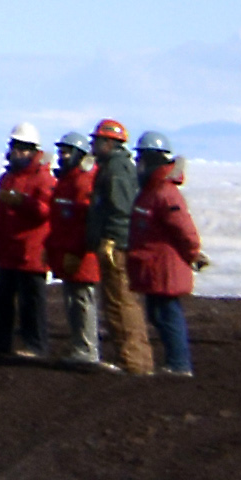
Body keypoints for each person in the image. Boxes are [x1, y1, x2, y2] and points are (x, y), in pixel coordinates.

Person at [82, 119, 153, 376]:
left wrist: (112, 240)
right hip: (116, 244)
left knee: (122, 304)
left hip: (118, 248)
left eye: (97, 140)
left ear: (109, 142)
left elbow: (122, 210)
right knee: (118, 304)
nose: (92, 144)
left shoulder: (117, 170)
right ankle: (134, 361)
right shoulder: (111, 167)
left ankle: (133, 363)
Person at [129, 146, 204, 377]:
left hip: (164, 267)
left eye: (141, 159)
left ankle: (179, 364)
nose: (138, 165)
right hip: (155, 266)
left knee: (167, 314)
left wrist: (193, 253)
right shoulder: (152, 191)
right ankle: (175, 362)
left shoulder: (165, 193)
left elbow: (184, 229)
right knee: (158, 314)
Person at [0, 137, 63, 363]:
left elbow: (46, 211)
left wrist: (22, 201)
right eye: (14, 148)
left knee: (32, 303)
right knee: (0, 299)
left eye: (21, 149)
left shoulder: (44, 179)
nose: (15, 153)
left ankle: (36, 346)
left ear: (32, 152)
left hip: (31, 251)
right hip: (7, 250)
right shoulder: (7, 178)